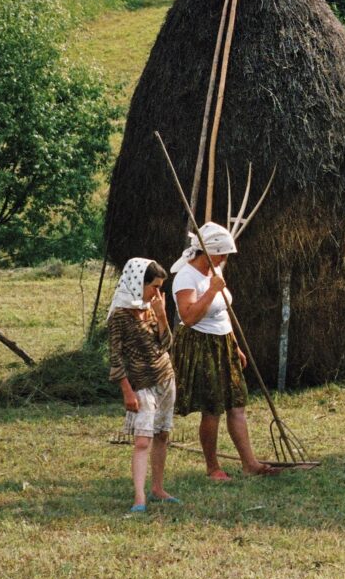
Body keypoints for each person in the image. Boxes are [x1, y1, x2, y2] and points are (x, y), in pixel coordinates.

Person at [171, 220, 275, 482]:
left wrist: (234, 345)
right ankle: (212, 467)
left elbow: (222, 314)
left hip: (222, 342)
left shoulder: (212, 273)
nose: (226, 258)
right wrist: (212, 291)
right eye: (224, 253)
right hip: (201, 344)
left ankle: (249, 463)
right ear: (210, 251)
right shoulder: (187, 276)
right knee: (212, 407)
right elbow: (189, 317)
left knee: (236, 403)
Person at [108, 257, 178, 514]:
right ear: (139, 283)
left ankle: (158, 489)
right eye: (154, 287)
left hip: (165, 378)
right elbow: (115, 357)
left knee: (161, 434)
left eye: (161, 288)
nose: (157, 293)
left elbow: (166, 344)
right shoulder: (119, 316)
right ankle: (139, 497)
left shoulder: (150, 308)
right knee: (141, 440)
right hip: (141, 384)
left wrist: (161, 316)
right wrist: (126, 390)